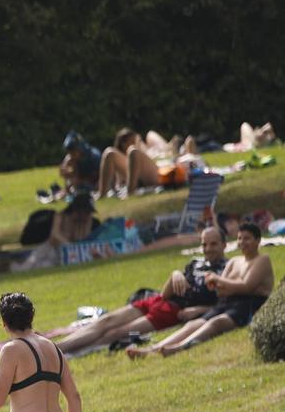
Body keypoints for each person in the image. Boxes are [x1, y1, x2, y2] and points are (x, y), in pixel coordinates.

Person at [55, 225, 226, 354]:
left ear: (224, 245)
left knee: (116, 333)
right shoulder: (195, 262)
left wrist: (200, 310)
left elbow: (227, 303)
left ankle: (70, 354)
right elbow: (164, 294)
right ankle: (56, 348)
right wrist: (174, 275)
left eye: (213, 244)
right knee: (105, 321)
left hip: (174, 311)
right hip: (159, 300)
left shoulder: (226, 269)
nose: (208, 249)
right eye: (204, 244)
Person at [129, 222, 275, 357]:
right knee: (193, 324)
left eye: (247, 238)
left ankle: (180, 347)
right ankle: (152, 349)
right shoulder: (234, 261)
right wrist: (218, 283)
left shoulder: (262, 260)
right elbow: (219, 290)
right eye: (239, 238)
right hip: (228, 303)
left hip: (250, 305)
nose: (242, 242)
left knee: (217, 322)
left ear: (257, 240)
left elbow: (247, 287)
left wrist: (218, 280)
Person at [98, 127, 159, 198]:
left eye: (135, 142)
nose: (135, 144)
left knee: (133, 151)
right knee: (109, 152)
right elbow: (116, 184)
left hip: (151, 173)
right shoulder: (120, 159)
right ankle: (102, 195)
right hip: (135, 177)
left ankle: (130, 192)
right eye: (132, 142)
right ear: (123, 143)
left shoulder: (140, 150)